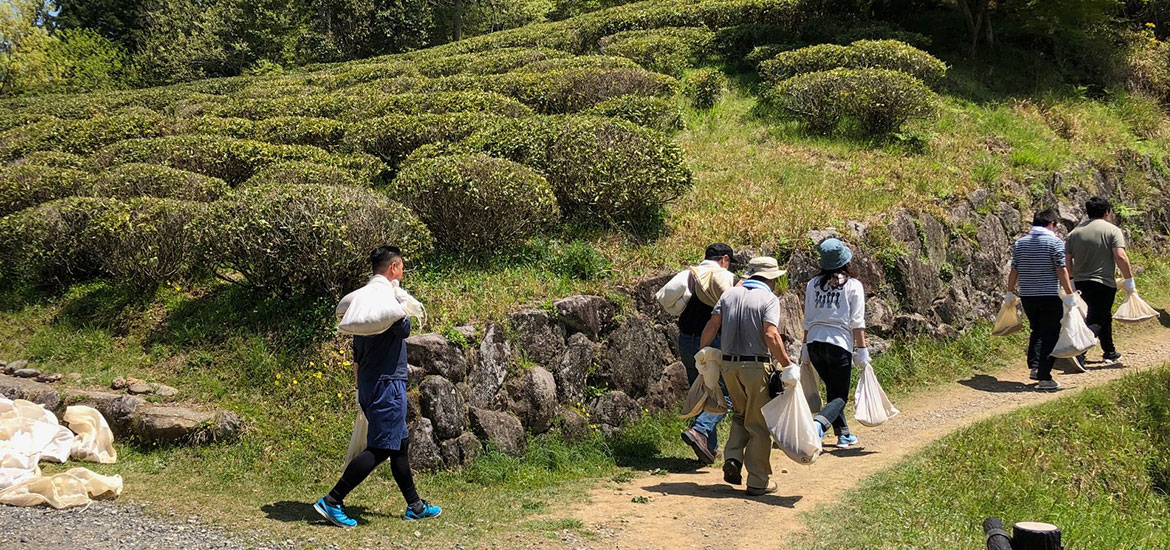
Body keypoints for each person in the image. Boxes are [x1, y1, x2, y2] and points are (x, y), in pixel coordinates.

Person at [315, 246, 441, 527]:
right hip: (388, 385)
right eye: (402, 267)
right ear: (393, 268)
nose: (403, 272)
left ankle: (415, 506)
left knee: (399, 445)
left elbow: (357, 353)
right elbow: (405, 329)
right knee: (382, 447)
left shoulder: (362, 306)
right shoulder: (387, 304)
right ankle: (332, 500)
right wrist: (398, 295)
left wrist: (360, 388)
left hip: (370, 384)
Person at [699, 256, 794, 496]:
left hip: (729, 367)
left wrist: (703, 354)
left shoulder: (729, 295)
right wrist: (787, 364)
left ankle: (732, 457)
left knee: (741, 415)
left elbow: (711, 325)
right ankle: (758, 481)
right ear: (771, 278)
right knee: (759, 424)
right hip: (755, 366)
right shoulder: (769, 298)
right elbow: (771, 335)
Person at [800, 238, 868, 448]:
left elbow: (808, 317)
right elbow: (857, 321)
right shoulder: (853, 286)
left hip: (814, 342)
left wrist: (804, 346)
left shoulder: (813, 284)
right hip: (838, 343)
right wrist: (862, 349)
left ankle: (844, 433)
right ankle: (818, 426)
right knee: (840, 396)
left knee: (832, 388)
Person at [674, 243, 736, 464]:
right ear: (725, 260)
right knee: (725, 394)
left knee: (702, 392)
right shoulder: (725, 279)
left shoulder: (692, 275)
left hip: (685, 339)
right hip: (711, 341)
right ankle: (699, 430)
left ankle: (708, 448)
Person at [1005, 210, 1078, 390]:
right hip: (1048, 295)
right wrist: (1070, 294)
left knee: (1036, 330)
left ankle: (1036, 367)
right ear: (1051, 224)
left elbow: (1014, 269)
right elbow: (1061, 270)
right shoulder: (1054, 242)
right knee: (1051, 334)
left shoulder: (1020, 244)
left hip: (1028, 296)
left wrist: (1009, 291)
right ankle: (1045, 377)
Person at [1066, 197, 1134, 366]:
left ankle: (1109, 351)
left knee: (1103, 315)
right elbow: (1120, 256)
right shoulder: (1112, 231)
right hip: (1104, 282)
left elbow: (1067, 261)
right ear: (1107, 212)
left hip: (1081, 283)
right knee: (1096, 319)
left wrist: (1071, 280)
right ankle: (1079, 351)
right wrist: (1129, 279)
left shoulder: (1074, 233)